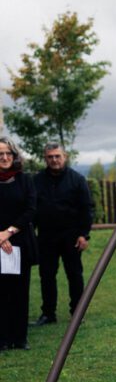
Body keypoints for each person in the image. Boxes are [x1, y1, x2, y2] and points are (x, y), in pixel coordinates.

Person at [33, 143, 94, 325]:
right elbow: (32, 208)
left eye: (57, 156)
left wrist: (84, 235)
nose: (54, 160)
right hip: (46, 236)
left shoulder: (77, 180)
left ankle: (77, 313)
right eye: (50, 157)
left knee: (74, 275)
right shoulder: (36, 181)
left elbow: (87, 209)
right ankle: (48, 313)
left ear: (65, 157)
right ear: (45, 159)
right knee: (47, 275)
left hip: (72, 236)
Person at [0, 137, 37, 351]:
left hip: (20, 242)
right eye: (0, 154)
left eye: (8, 154)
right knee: (1, 292)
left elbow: (31, 209)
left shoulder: (25, 179)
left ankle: (19, 338)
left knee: (19, 291)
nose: (4, 157)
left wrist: (8, 232)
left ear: (14, 156)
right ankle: (2, 339)